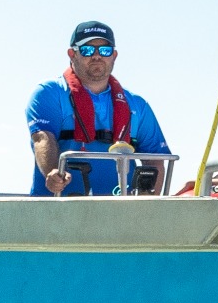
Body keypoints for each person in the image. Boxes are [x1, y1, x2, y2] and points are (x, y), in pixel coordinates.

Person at [28, 22, 168, 196]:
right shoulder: (49, 93)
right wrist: (53, 172)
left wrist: (146, 205)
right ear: (72, 54)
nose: (97, 56)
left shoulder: (138, 105)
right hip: (59, 211)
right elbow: (42, 138)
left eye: (105, 50)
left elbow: (155, 160)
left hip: (119, 212)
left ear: (114, 56)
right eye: (87, 50)